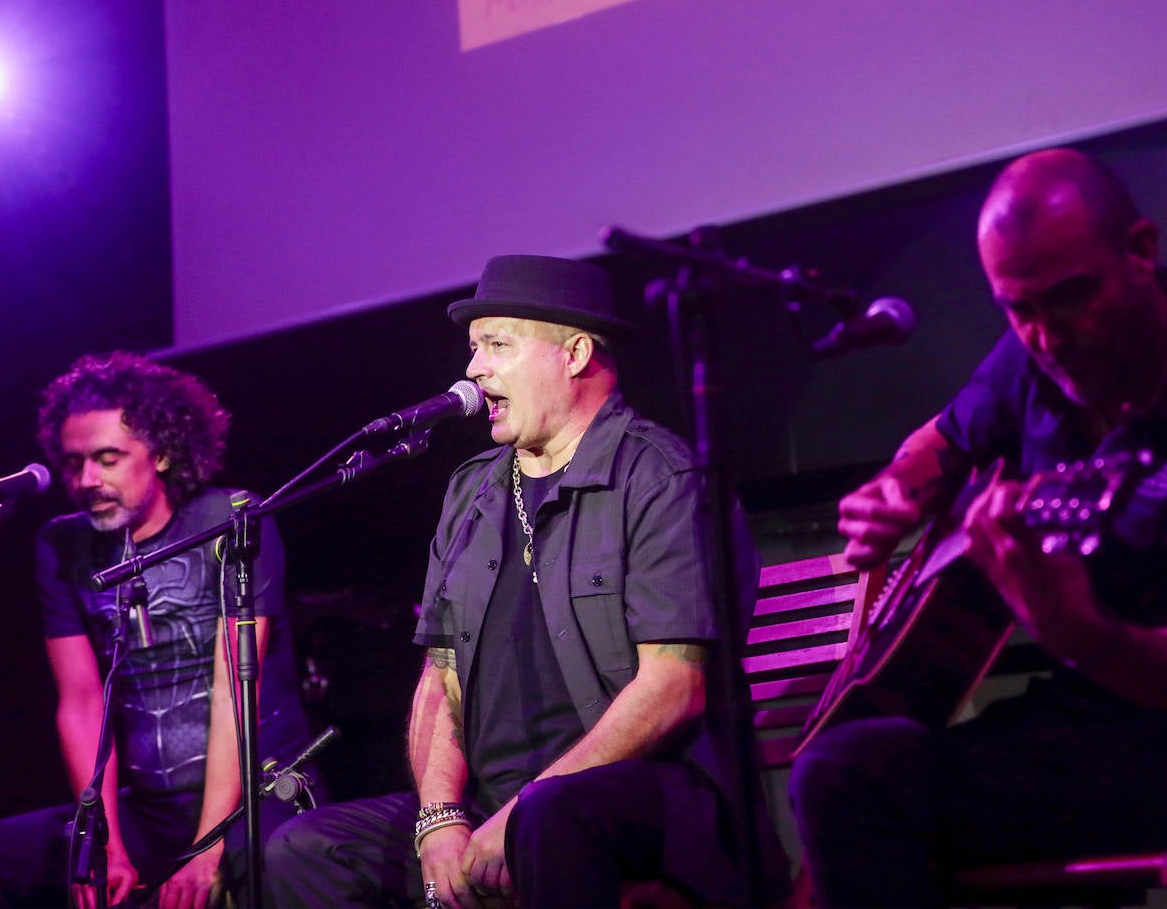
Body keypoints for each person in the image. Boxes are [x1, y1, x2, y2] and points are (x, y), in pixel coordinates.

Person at [266, 254, 787, 907]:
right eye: (474, 349)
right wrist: (439, 820)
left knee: (552, 820)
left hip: (642, 799)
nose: (475, 369)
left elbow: (672, 687)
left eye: (497, 346)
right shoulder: (474, 490)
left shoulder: (661, 479)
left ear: (573, 354)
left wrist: (520, 814)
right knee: (306, 852)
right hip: (498, 805)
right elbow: (442, 674)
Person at [790, 149, 1167, 906]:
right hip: (1081, 721)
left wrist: (1078, 631)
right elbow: (941, 442)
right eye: (1019, 309)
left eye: (1071, 298)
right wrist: (896, 495)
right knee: (846, 775)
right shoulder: (1035, 354)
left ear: (1141, 250)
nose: (1047, 336)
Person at [0, 351, 317, 908]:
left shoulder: (230, 517)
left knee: (272, 869)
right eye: (75, 463)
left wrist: (208, 846)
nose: (87, 479)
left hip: (260, 798)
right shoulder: (62, 546)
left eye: (108, 458)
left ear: (162, 454)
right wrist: (104, 841)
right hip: (147, 808)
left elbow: (234, 693)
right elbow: (81, 703)